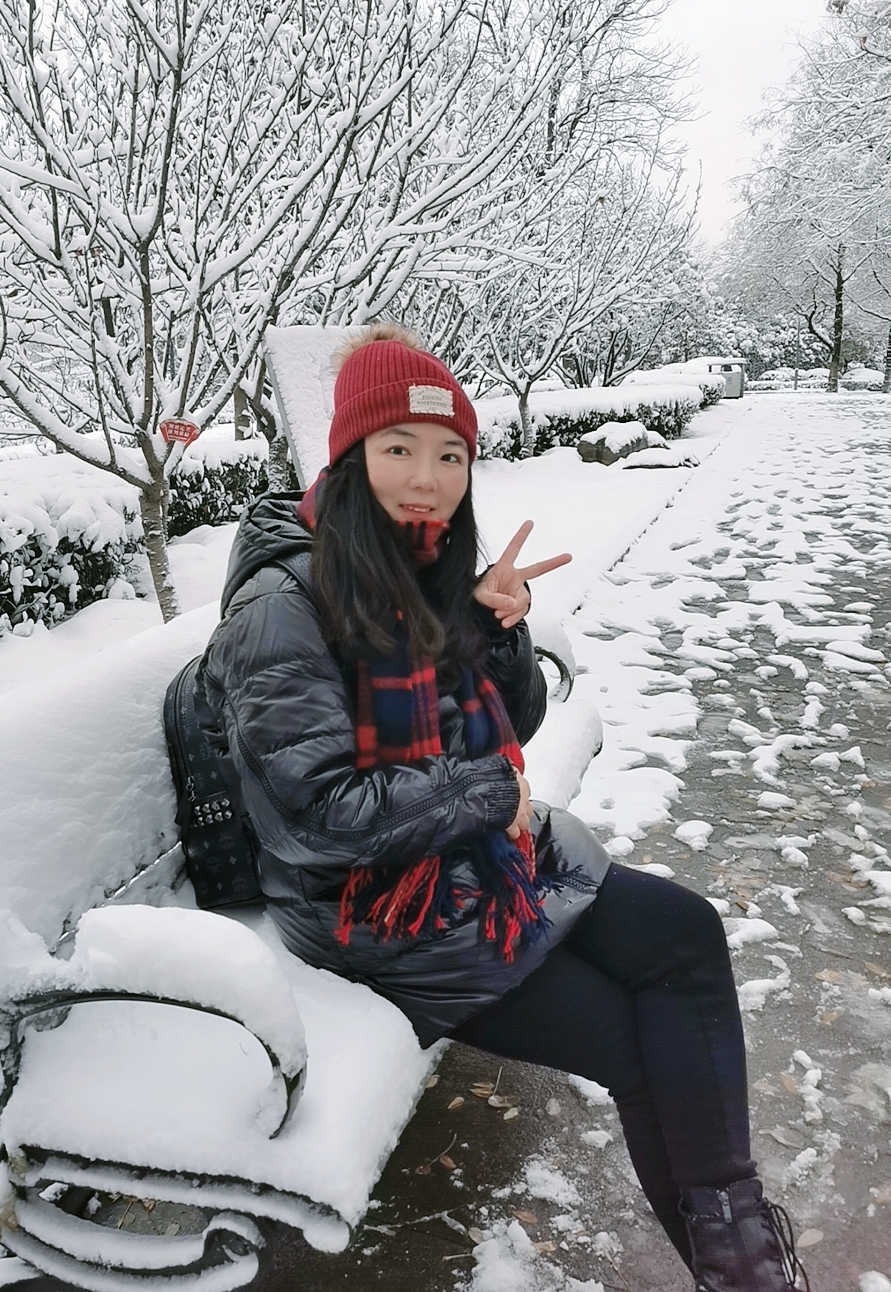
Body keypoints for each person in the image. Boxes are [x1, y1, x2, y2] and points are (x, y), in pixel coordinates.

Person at [196, 326, 808, 1292]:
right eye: (399, 448)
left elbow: (509, 721)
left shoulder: (412, 563)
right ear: (349, 457)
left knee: (685, 934)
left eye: (451, 455)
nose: (428, 478)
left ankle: (742, 1257)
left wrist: (491, 631)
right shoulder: (284, 606)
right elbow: (317, 815)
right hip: (368, 904)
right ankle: (741, 1273)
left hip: (468, 859)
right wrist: (486, 789)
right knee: (640, 1044)